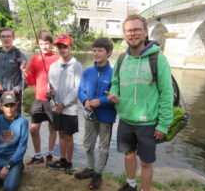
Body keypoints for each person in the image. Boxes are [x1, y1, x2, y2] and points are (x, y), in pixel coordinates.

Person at [105, 14, 173, 191]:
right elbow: (115, 83)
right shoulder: (121, 59)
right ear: (125, 34)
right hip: (126, 119)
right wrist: (114, 94)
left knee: (146, 162)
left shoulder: (158, 59)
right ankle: (131, 184)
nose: (132, 34)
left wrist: (163, 124)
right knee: (128, 154)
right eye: (129, 30)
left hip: (148, 122)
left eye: (137, 29)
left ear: (145, 33)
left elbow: (166, 94)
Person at [75, 37, 117, 190]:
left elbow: (116, 95)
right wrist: (85, 101)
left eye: (100, 51)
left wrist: (101, 101)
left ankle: (98, 174)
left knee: (103, 147)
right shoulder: (87, 72)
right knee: (87, 145)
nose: (96, 53)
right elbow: (81, 90)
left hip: (106, 117)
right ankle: (90, 168)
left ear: (109, 53)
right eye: (94, 50)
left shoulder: (114, 74)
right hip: (89, 115)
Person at [46, 34, 82, 173]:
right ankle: (61, 159)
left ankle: (69, 162)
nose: (62, 49)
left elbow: (77, 89)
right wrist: (51, 94)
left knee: (68, 136)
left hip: (69, 109)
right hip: (56, 107)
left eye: (65, 46)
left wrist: (63, 104)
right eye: (59, 47)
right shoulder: (53, 66)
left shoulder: (76, 65)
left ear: (70, 47)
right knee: (60, 134)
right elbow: (52, 85)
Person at [22, 30, 58, 165]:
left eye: (47, 43)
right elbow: (31, 81)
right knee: (33, 129)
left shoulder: (56, 59)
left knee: (52, 128)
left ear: (51, 44)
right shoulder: (35, 59)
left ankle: (50, 154)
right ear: (38, 44)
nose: (44, 46)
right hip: (39, 99)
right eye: (42, 44)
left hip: (52, 100)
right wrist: (25, 72)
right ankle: (38, 155)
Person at [0, 92, 29, 191]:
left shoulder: (23, 122)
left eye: (12, 105)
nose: (9, 108)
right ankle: (5, 174)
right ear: (1, 106)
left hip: (13, 159)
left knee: (9, 187)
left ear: (16, 105)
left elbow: (22, 147)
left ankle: (18, 167)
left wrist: (8, 166)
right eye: (6, 105)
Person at [0, 27, 27, 119]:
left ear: (13, 38)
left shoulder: (20, 55)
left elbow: (26, 80)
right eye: (3, 36)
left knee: (14, 127)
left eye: (8, 36)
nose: (6, 39)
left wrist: (15, 90)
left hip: (14, 97)